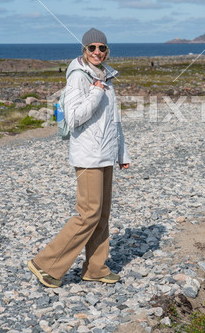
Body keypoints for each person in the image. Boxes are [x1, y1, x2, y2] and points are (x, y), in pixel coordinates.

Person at [28, 28, 130, 288]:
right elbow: (73, 118)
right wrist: (96, 91)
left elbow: (113, 120)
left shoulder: (106, 76)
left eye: (102, 48)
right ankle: (46, 264)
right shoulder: (78, 76)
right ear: (83, 50)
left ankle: (95, 268)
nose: (97, 52)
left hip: (105, 153)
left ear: (108, 51)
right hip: (88, 156)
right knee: (88, 214)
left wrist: (122, 152)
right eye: (92, 48)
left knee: (102, 214)